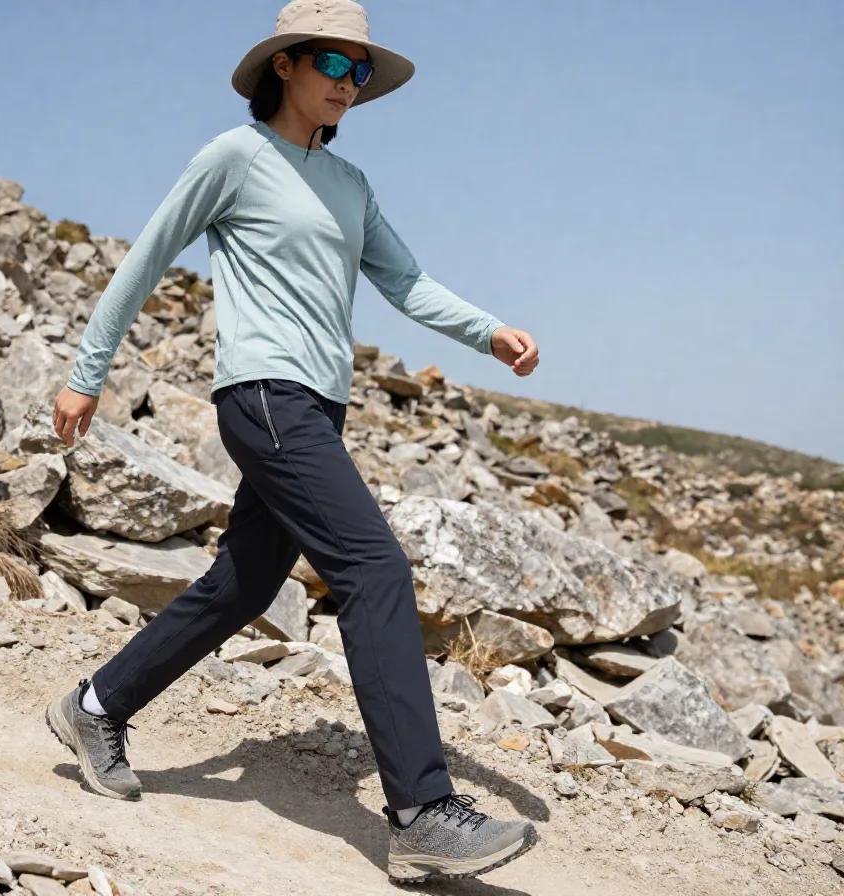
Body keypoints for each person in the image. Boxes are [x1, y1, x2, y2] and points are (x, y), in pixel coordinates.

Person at [47, 0, 541, 884]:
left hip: (320, 406)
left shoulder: (350, 184)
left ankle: (95, 704)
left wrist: (490, 331)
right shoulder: (234, 157)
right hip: (264, 395)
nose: (349, 85)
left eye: (361, 73)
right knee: (375, 569)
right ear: (285, 65)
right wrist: (88, 371)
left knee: (245, 581)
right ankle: (423, 811)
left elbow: (407, 282)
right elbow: (147, 257)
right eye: (334, 65)